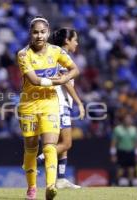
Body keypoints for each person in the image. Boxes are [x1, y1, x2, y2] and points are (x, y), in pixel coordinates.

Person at [17, 16, 79, 200]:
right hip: (29, 105)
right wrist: (57, 80)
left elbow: (75, 69)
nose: (39, 36)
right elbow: (34, 80)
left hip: (51, 104)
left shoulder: (57, 51)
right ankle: (31, 188)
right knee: (31, 148)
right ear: (30, 33)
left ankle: (51, 187)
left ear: (48, 32)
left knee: (50, 146)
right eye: (35, 32)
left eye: (43, 32)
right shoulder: (23, 54)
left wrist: (65, 78)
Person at [36, 28, 85, 189]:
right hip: (60, 104)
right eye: (75, 39)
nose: (76, 43)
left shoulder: (52, 54)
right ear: (67, 41)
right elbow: (65, 81)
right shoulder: (62, 56)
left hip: (55, 103)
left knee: (61, 143)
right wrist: (79, 102)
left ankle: (61, 178)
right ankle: (38, 161)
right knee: (67, 143)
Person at [110, 114, 137, 186]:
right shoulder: (117, 129)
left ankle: (130, 184)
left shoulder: (134, 129)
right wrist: (113, 154)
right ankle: (115, 183)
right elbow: (113, 143)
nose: (128, 120)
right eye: (127, 118)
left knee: (131, 169)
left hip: (131, 152)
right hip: (121, 152)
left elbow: (136, 143)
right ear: (123, 120)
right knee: (120, 169)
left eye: (130, 119)